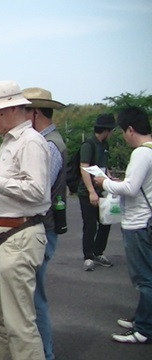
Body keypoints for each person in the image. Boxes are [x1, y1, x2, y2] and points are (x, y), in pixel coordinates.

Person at [0, 80, 50, 360]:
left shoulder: (30, 141)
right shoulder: (10, 141)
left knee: (19, 323)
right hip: (3, 236)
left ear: (16, 107)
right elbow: (18, 181)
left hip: (19, 234)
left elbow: (37, 190)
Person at [94, 106, 152, 345]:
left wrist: (105, 183)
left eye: (123, 132)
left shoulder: (141, 153)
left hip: (139, 223)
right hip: (145, 219)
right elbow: (135, 185)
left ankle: (144, 329)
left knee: (144, 278)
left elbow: (129, 188)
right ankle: (141, 318)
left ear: (130, 129)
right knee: (146, 276)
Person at [22, 87, 67, 360]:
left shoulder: (48, 146)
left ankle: (45, 354)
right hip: (47, 226)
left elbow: (38, 192)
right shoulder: (50, 142)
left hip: (42, 227)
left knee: (35, 298)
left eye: (23, 111)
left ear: (34, 113)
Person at [78, 113, 117, 271]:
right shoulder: (89, 144)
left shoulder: (105, 145)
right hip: (87, 191)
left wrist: (109, 178)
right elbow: (84, 168)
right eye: (111, 130)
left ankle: (98, 252)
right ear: (106, 130)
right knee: (90, 225)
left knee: (106, 222)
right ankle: (88, 256)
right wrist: (91, 192)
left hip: (102, 189)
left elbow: (103, 166)